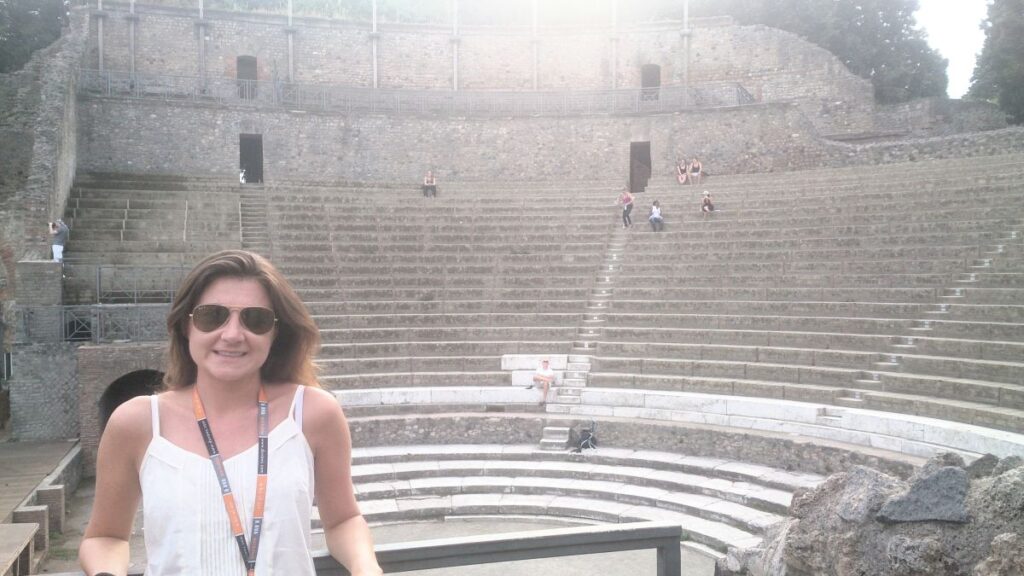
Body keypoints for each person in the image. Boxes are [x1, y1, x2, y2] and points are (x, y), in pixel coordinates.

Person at [79, 250, 383, 576]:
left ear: (275, 332)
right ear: (186, 325)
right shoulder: (136, 422)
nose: (233, 334)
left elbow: (342, 520)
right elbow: (105, 536)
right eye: (213, 316)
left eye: (256, 319)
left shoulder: (313, 413)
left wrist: (366, 568)